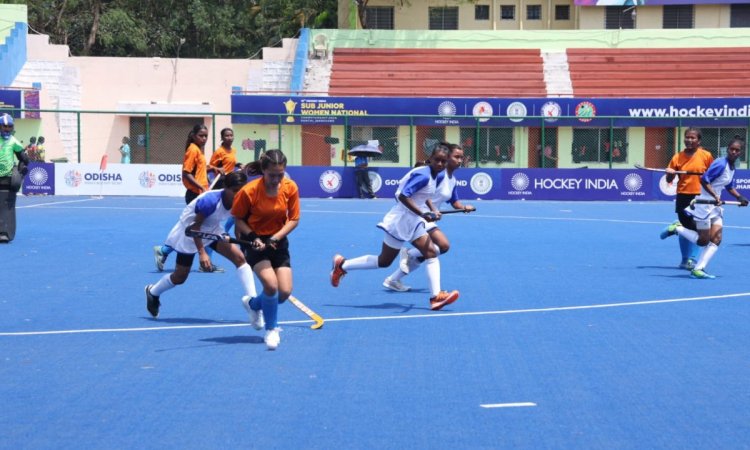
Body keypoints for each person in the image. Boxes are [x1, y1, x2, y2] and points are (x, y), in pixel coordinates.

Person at [330, 143, 460, 311]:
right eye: (437, 160)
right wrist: (423, 213)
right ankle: (343, 265)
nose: (440, 164)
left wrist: (433, 210)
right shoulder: (424, 175)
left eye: (443, 161)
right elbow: (403, 196)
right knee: (384, 261)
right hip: (401, 221)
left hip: (413, 221)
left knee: (429, 252)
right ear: (430, 159)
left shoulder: (436, 175)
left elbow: (424, 194)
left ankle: (436, 297)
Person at [144, 172, 259, 326]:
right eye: (234, 190)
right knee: (180, 277)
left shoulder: (241, 200)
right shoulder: (210, 201)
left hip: (212, 228)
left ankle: (253, 304)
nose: (238, 194)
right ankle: (153, 292)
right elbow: (195, 228)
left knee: (240, 258)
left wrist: (244, 244)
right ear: (225, 188)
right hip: (190, 232)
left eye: (241, 190)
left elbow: (239, 222)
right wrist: (202, 253)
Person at [383, 143, 475, 292]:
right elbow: (425, 194)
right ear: (448, 157)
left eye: (461, 157)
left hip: (430, 217)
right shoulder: (438, 174)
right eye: (456, 157)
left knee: (434, 251)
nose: (459, 160)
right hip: (422, 215)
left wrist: (464, 207)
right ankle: (409, 255)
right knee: (440, 247)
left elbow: (454, 202)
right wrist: (431, 210)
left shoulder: (452, 180)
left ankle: (393, 279)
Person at [232, 150, 300, 350]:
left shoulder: (290, 187)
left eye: (280, 174)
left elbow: (294, 219)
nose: (276, 180)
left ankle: (253, 305)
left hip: (277, 240)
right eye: (272, 175)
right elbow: (238, 219)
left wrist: (274, 238)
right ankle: (272, 329)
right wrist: (253, 237)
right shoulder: (249, 191)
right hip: (254, 241)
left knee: (284, 292)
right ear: (263, 171)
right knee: (271, 286)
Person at [661, 138, 748, 278]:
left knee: (717, 238)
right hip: (704, 205)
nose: (733, 152)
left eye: (737, 150)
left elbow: (728, 186)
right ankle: (677, 228)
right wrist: (715, 196)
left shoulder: (732, 167)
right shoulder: (720, 163)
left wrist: (739, 197)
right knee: (703, 241)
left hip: (715, 207)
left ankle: (698, 269)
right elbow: (704, 180)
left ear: (741, 152)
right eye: (732, 149)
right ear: (728, 149)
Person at [154, 124, 223, 273]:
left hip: (201, 193)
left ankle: (164, 251)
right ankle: (167, 251)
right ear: (194, 136)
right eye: (201, 136)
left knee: (196, 228)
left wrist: (213, 168)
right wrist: (201, 187)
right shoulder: (192, 149)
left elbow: (199, 169)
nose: (204, 139)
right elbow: (186, 173)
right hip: (195, 194)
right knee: (199, 229)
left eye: (206, 136)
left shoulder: (198, 149)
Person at [659, 128, 714, 270]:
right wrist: (670, 173)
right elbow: (669, 180)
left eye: (693, 138)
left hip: (701, 197)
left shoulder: (706, 156)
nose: (689, 140)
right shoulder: (677, 157)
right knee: (686, 229)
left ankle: (692, 259)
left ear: (699, 141)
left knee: (701, 229)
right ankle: (684, 259)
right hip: (683, 196)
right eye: (687, 137)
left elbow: (713, 176)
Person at [0, 113, 30, 243]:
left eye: (9, 126)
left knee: (7, 207)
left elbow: (24, 159)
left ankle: (4, 232)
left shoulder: (13, 141)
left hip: (7, 179)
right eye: (4, 126)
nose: (7, 129)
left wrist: (20, 170)